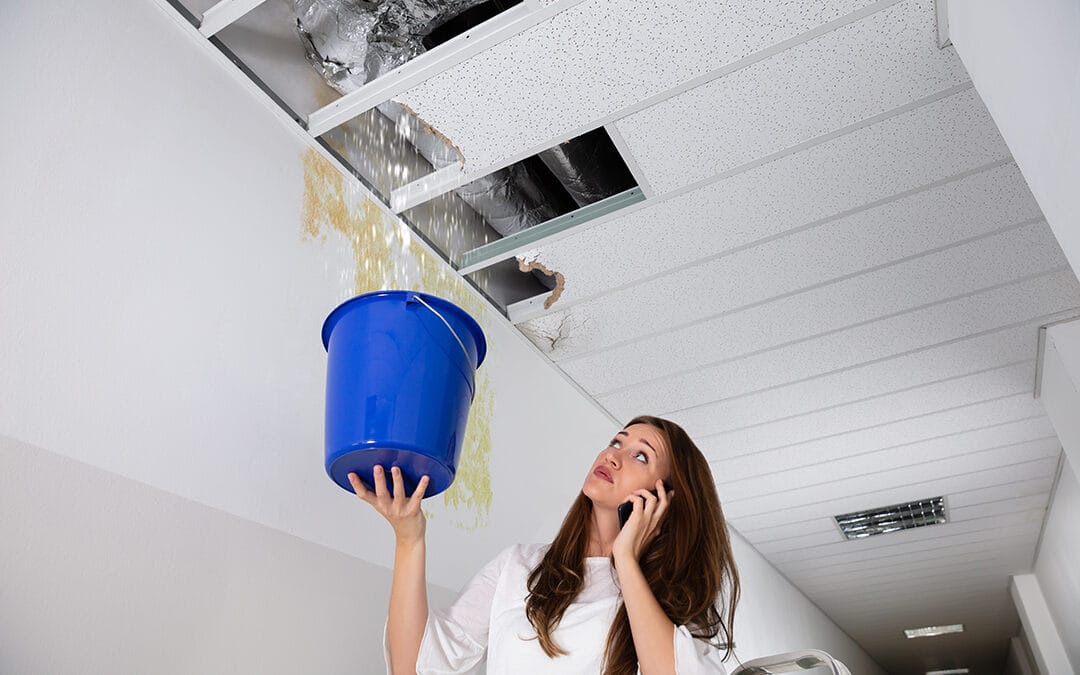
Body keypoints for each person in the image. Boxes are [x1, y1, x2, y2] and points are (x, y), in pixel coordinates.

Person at [348, 415, 741, 674]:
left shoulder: (671, 606)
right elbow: (412, 665)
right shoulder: (519, 566)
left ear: (666, 498)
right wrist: (409, 539)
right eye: (616, 442)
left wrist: (626, 559)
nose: (613, 455)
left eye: (640, 455)